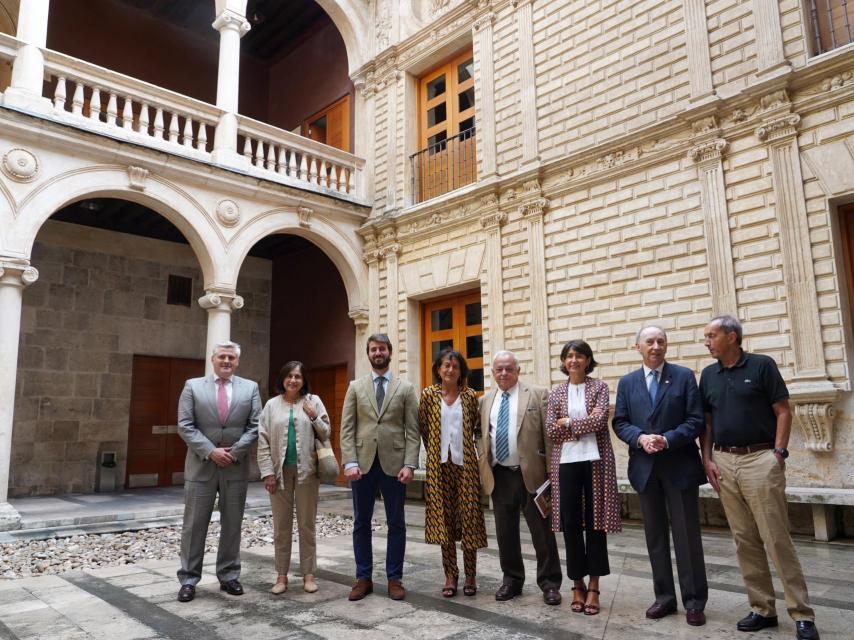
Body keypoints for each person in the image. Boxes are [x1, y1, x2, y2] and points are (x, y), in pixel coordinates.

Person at [700, 315, 819, 640]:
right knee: (744, 540)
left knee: (776, 538)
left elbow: (783, 409)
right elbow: (707, 423)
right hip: (724, 461)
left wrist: (778, 455)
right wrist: (707, 459)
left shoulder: (762, 366)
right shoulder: (708, 375)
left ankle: (802, 614)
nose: (707, 342)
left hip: (760, 459)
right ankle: (762, 608)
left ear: (732, 337)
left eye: (712, 335)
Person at [612, 326, 708, 626]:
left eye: (661, 341)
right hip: (645, 469)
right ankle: (664, 598)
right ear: (637, 346)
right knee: (655, 537)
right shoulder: (627, 383)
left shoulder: (683, 376)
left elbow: (696, 420)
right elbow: (620, 421)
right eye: (650, 342)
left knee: (687, 537)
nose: (656, 346)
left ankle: (694, 601)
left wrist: (666, 439)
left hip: (678, 466)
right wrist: (640, 438)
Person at [175, 341, 261, 602]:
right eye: (222, 356)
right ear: (212, 359)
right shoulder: (192, 386)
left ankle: (229, 575)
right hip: (201, 466)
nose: (226, 361)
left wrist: (233, 452)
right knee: (194, 525)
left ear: (237, 361)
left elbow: (256, 426)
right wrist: (211, 451)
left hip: (235, 467)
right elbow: (185, 425)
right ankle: (189, 579)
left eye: (231, 358)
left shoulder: (251, 388)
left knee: (233, 523)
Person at [477, 350, 563, 605]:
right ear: (492, 373)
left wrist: (552, 474)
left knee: (542, 532)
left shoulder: (537, 394)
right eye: (499, 369)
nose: (504, 373)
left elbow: (549, 438)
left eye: (509, 368)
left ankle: (550, 583)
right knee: (506, 532)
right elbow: (481, 437)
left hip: (534, 476)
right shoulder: (485, 401)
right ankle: (512, 580)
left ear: (518, 370)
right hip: (500, 475)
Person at [340, 333, 420, 601]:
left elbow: (413, 430)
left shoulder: (405, 388)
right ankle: (363, 577)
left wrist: (410, 464)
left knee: (396, 523)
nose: (378, 353)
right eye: (373, 349)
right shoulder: (355, 387)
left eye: (382, 349)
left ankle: (394, 579)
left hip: (395, 465)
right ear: (368, 353)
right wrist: (349, 461)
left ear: (390, 352)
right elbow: (347, 427)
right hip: (361, 465)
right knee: (361, 522)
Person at [546, 340, 620, 615]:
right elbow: (551, 431)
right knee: (572, 522)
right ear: (564, 362)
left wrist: (567, 422)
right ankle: (576, 584)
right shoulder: (556, 392)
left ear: (588, 360)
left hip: (595, 462)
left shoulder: (598, 387)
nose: (574, 360)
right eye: (569, 356)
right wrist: (574, 424)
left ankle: (594, 586)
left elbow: (600, 420)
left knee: (595, 522)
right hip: (565, 463)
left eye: (579, 356)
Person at [257, 361, 331, 595]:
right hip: (279, 474)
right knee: (281, 527)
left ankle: (309, 575)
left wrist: (313, 416)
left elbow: (326, 432)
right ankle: (281, 576)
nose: (293, 380)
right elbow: (263, 440)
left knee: (307, 525)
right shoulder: (271, 405)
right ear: (282, 379)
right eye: (289, 376)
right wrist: (267, 472)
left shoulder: (314, 401)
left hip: (307, 472)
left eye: (298, 376)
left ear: (303, 379)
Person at [419, 348, 486, 597]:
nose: (450, 370)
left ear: (461, 372)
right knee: (443, 520)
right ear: (438, 369)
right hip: (439, 467)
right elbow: (424, 427)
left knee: (469, 518)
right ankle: (450, 574)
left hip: (465, 466)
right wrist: (436, 451)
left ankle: (470, 575)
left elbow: (476, 427)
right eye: (445, 366)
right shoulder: (428, 395)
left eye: (455, 367)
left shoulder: (470, 396)